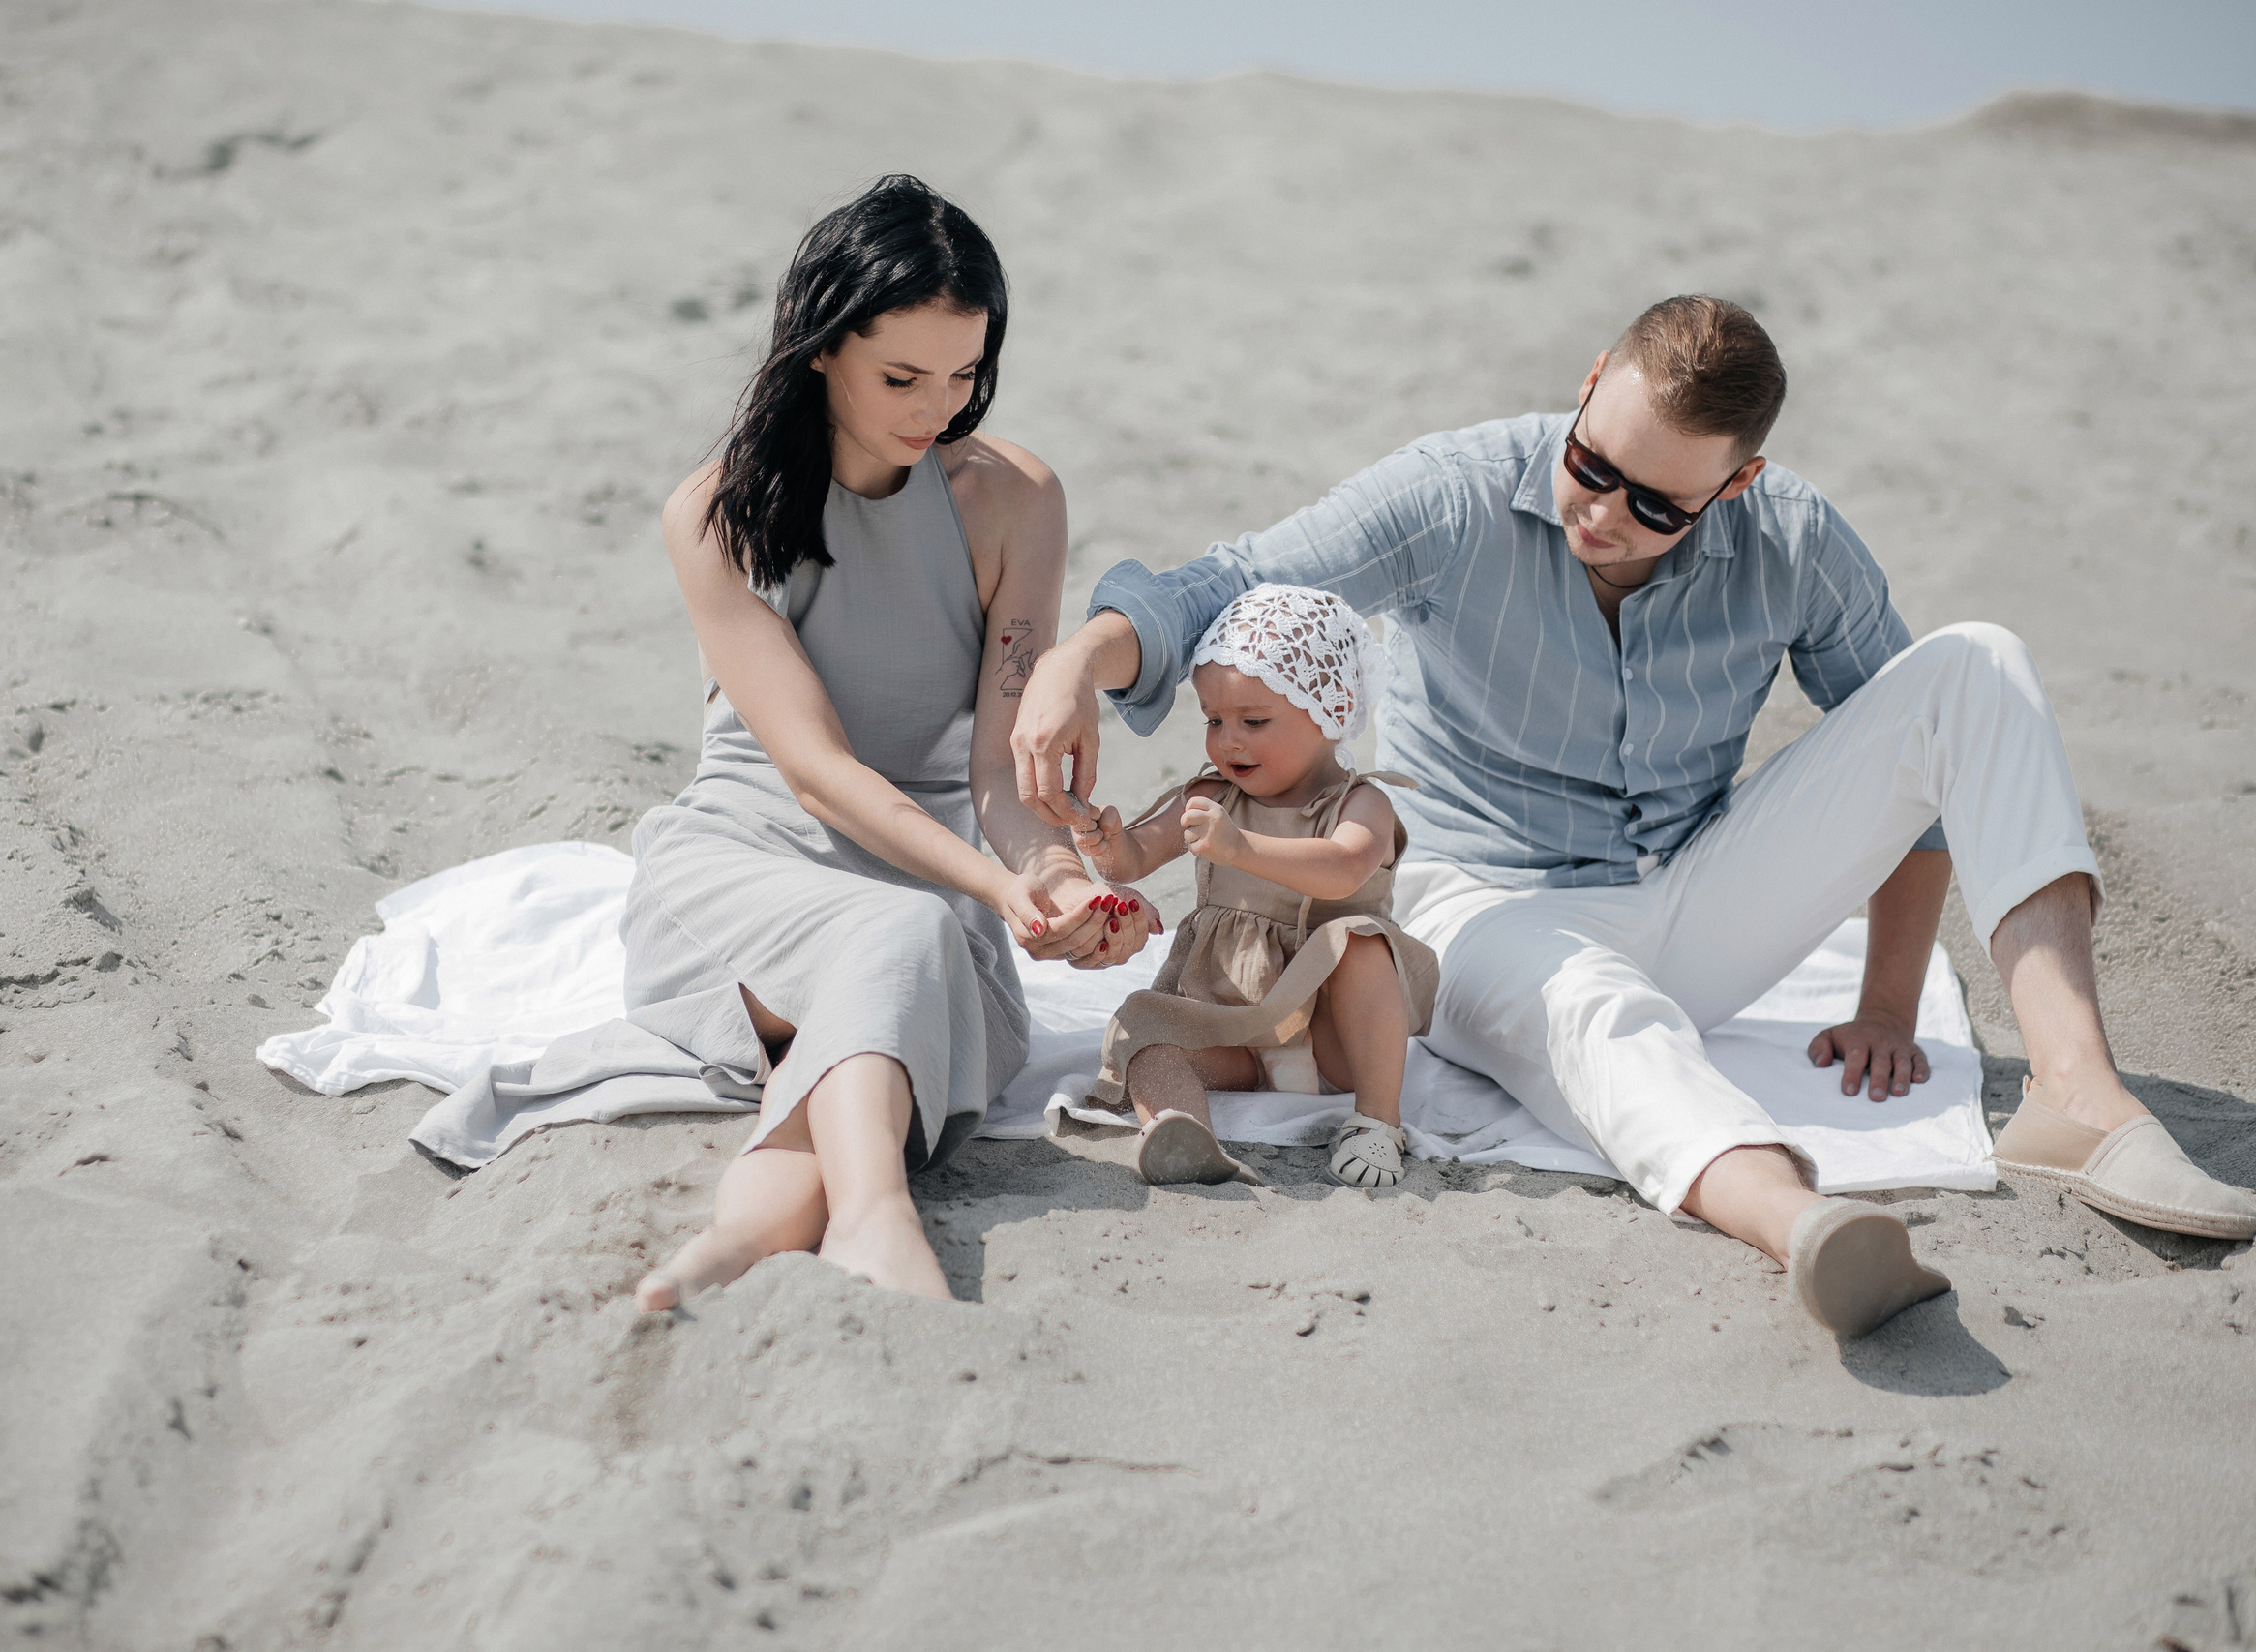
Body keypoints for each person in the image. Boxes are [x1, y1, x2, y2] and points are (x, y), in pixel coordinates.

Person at [1014, 295, 2256, 1339]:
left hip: (1697, 885)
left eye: (1655, 502)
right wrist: (1087, 655)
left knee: (1975, 662)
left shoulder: (1794, 539)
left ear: (1737, 482)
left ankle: (2077, 1095)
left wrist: (1886, 1004)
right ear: (1590, 381)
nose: (1602, 510)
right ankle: (1804, 1225)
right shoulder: (1454, 492)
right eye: (1588, 463)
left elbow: (1914, 763)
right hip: (1480, 905)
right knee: (1593, 1012)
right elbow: (1233, 579)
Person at [624, 175, 1155, 1312]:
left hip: (924, 883)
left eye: (965, 374)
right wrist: (992, 890)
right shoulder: (715, 514)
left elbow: (999, 769)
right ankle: (876, 1215)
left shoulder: (1012, 498)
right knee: (901, 933)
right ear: (820, 348)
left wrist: (1054, 878)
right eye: (900, 377)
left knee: (901, 948)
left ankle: (732, 1244)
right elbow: (813, 773)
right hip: (747, 868)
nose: (937, 409)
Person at [1069, 585, 1437, 1189]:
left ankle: (1377, 1120)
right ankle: (1178, 1127)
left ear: (1333, 710)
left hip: (1328, 1039)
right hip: (1233, 1027)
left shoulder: (1360, 801)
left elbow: (1345, 866)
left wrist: (1242, 849)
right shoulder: (1214, 796)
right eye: (1215, 720)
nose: (1229, 739)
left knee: (1360, 942)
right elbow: (1136, 856)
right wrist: (1108, 847)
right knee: (1143, 1027)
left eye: (1254, 720)